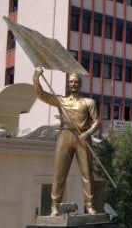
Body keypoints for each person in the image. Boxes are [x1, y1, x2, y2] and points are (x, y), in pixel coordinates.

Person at [33, 67, 100, 215]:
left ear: (80, 84)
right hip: (65, 136)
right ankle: (55, 206)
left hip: (83, 137)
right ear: (68, 85)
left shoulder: (89, 102)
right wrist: (36, 77)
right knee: (59, 173)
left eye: (76, 82)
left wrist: (87, 133)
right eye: (71, 82)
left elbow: (96, 121)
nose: (74, 84)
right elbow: (40, 94)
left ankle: (89, 205)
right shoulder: (61, 101)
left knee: (87, 174)